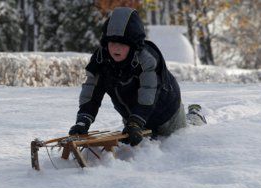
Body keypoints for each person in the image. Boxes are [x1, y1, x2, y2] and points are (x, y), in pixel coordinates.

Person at [69, 7, 205, 146]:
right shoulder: (100, 61)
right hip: (135, 116)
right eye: (112, 43)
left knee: (181, 131)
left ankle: (195, 114)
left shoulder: (147, 59)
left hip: (166, 112)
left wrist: (135, 122)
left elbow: (148, 91)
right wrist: (83, 120)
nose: (116, 48)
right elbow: (91, 93)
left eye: (122, 44)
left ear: (133, 45)